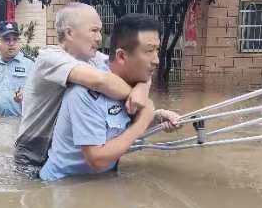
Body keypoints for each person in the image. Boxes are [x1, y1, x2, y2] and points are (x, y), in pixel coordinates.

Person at [39, 14, 179, 182]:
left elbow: (117, 128)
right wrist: (142, 123)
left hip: (102, 181)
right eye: (149, 51)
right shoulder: (84, 93)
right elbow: (97, 159)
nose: (157, 60)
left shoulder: (134, 81)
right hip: (63, 185)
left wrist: (155, 119)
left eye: (157, 50)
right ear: (121, 56)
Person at [14, 3, 151, 172]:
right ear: (70, 33)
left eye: (100, 31)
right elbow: (102, 82)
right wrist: (138, 99)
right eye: (93, 30)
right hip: (34, 150)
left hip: (64, 148)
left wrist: (142, 88)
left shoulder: (93, 59)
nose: (100, 38)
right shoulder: (49, 58)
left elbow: (137, 69)